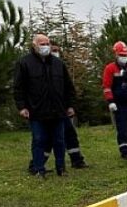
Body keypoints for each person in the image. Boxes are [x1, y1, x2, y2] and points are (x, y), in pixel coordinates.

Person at [13, 34, 77, 177]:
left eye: (47, 43)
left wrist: (70, 106)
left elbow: (68, 87)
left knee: (59, 140)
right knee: (39, 140)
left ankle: (61, 168)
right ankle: (38, 169)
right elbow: (18, 88)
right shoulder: (24, 63)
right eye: (42, 44)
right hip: (36, 111)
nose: (45, 46)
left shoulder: (58, 63)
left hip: (58, 110)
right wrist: (22, 107)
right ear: (34, 45)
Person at [27, 44, 88, 172]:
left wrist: (70, 105)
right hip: (48, 111)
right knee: (46, 139)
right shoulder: (37, 66)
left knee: (69, 135)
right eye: (53, 51)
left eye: (56, 51)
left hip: (61, 109)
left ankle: (76, 160)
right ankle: (36, 165)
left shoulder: (59, 66)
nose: (55, 53)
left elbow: (68, 88)